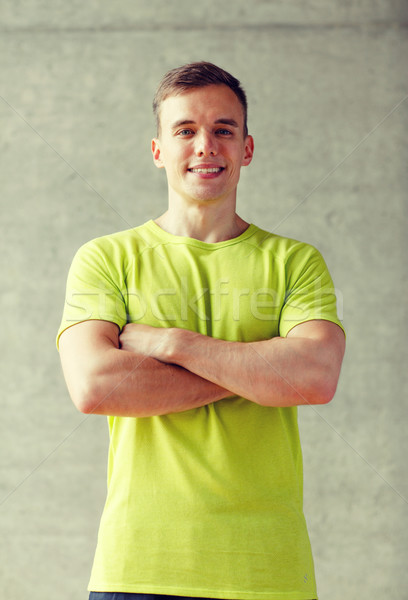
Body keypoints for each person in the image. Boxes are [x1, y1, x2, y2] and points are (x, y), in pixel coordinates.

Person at [57, 61, 345, 600]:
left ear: (247, 149)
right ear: (159, 150)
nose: (206, 146)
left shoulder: (295, 263)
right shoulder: (106, 259)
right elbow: (96, 387)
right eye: (185, 130)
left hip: (268, 572)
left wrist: (174, 345)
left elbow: (316, 377)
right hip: (138, 569)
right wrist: (261, 371)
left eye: (223, 130)